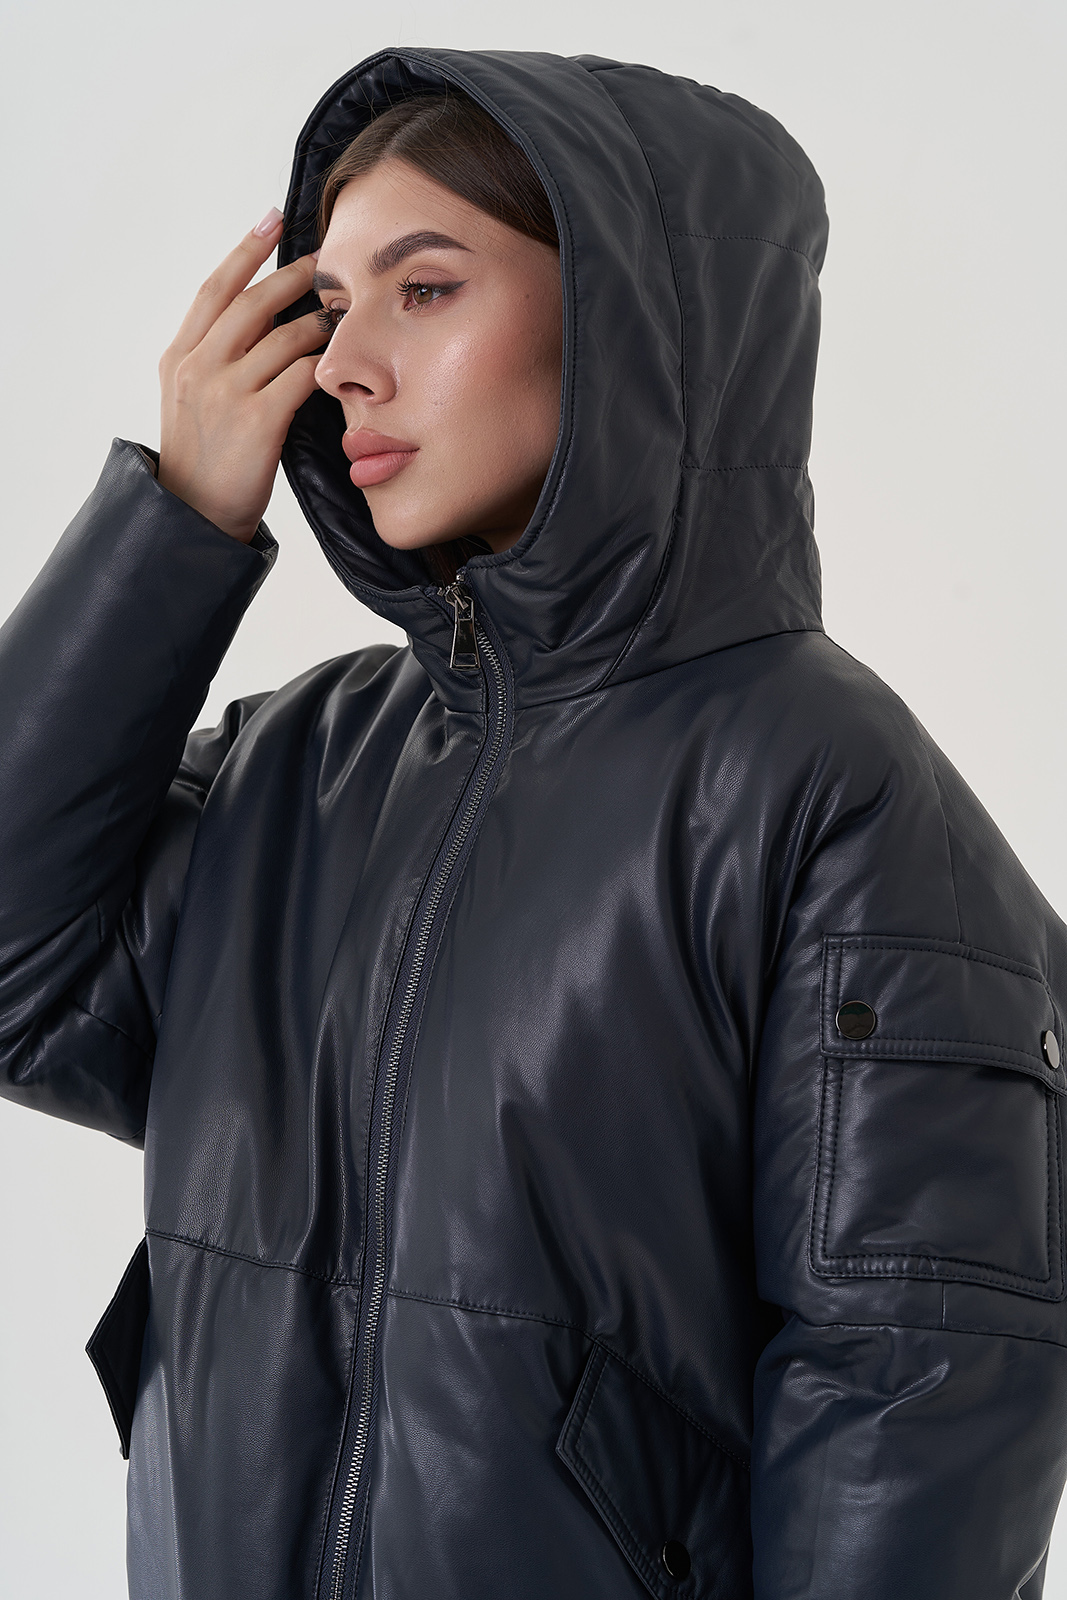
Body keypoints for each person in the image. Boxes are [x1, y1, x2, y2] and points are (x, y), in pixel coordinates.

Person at [1, 45, 1064, 1600]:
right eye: (328, 304)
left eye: (426, 289)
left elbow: (912, 1417)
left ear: (636, 325)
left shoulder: (830, 793)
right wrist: (173, 521)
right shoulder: (299, 761)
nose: (343, 366)